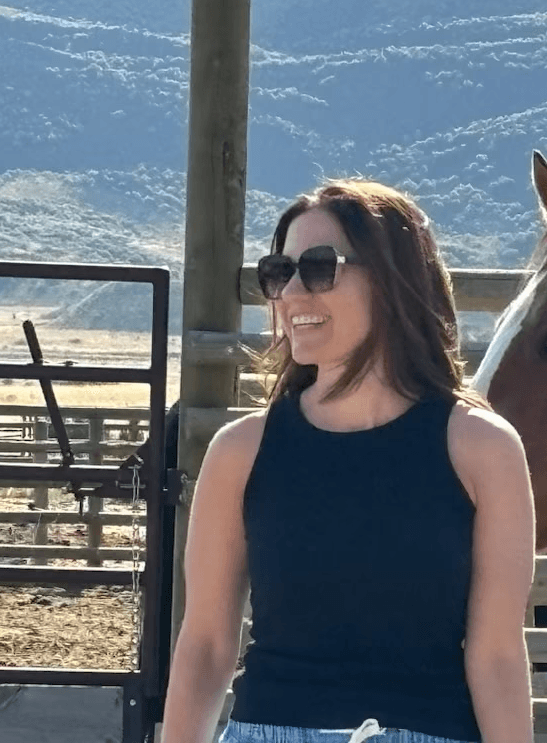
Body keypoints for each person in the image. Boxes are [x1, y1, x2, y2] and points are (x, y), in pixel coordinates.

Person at [159, 180, 535, 743]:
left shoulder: (484, 449)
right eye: (277, 272)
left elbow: (498, 656)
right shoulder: (240, 452)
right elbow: (207, 644)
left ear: (393, 278)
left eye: (318, 267)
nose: (289, 293)